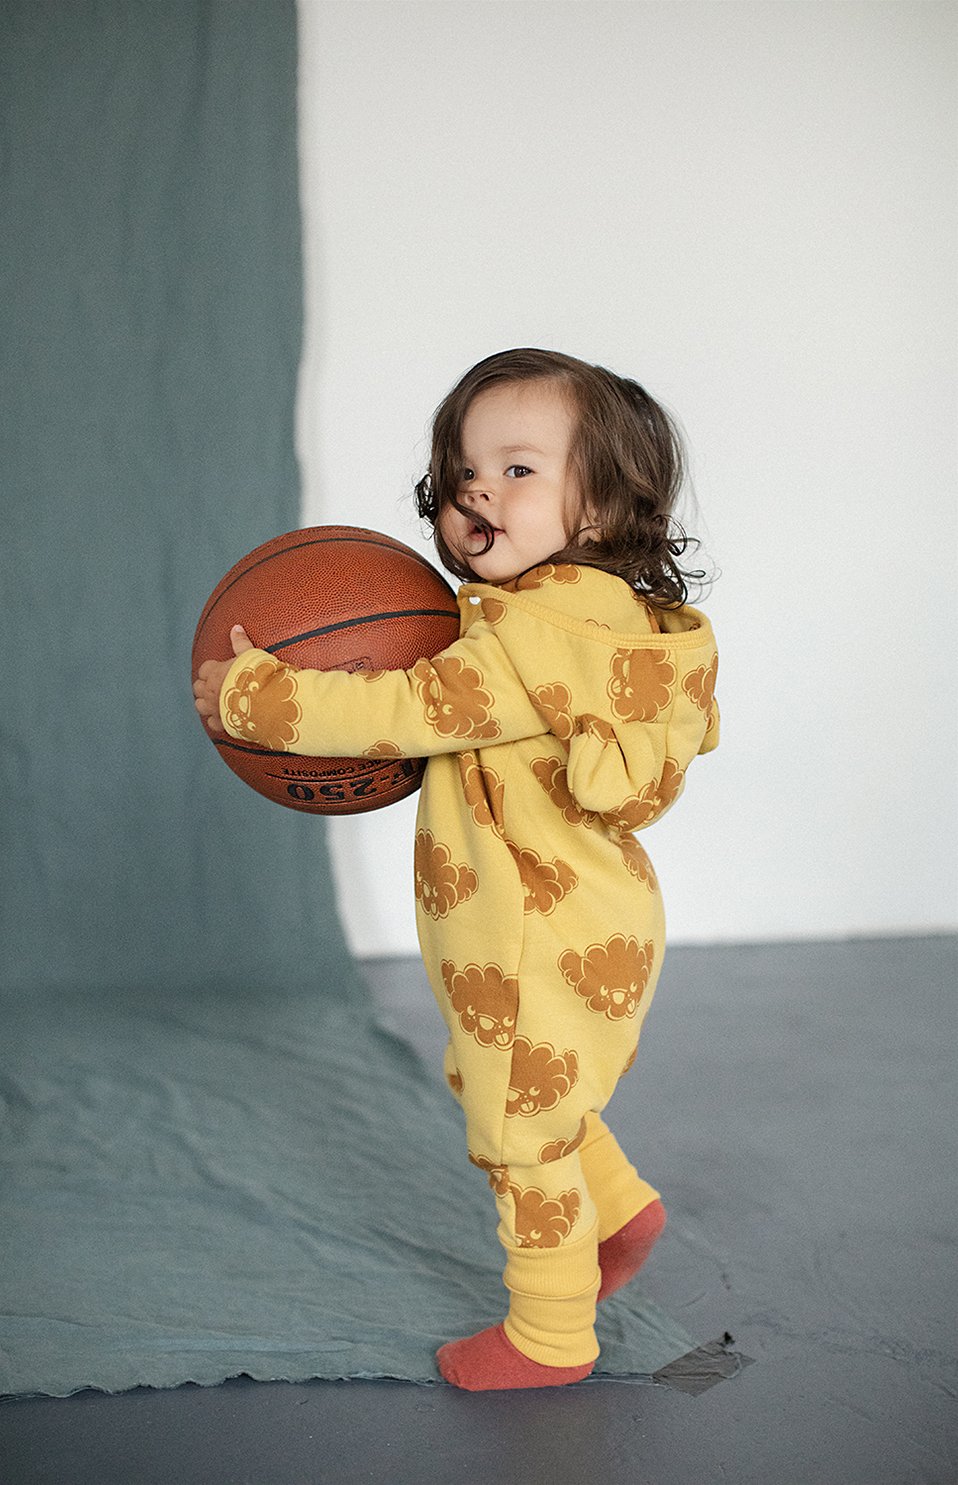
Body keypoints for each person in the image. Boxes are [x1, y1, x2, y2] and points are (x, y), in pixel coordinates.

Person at [193, 348, 719, 1391]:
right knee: (512, 1081)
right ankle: (618, 1210)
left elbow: (400, 711)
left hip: (533, 931)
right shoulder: (590, 621)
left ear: (605, 505)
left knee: (517, 1130)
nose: (478, 487)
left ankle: (552, 1334)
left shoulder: (530, 641)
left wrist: (256, 700)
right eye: (462, 470)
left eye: (518, 469)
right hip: (571, 922)